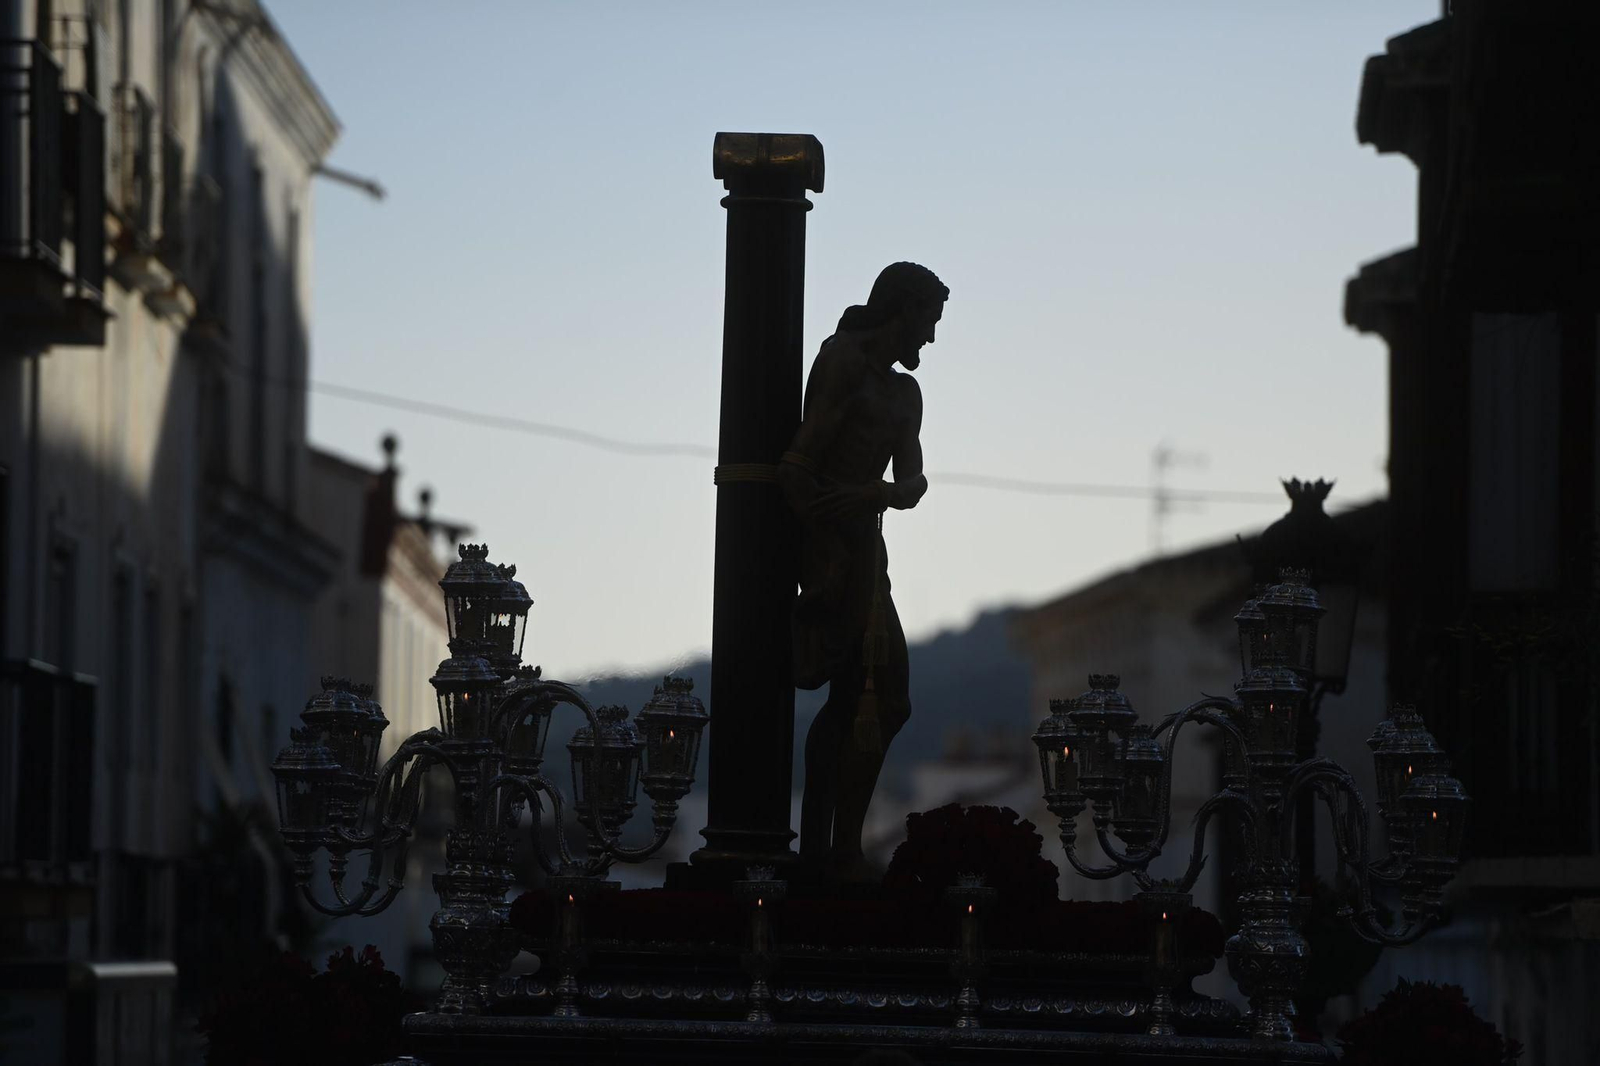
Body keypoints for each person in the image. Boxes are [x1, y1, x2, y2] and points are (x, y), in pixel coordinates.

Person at [777, 261, 948, 882]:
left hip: (866, 552)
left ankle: (836, 845)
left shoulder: (906, 394)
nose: (930, 337)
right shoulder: (844, 360)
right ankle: (827, 848)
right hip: (829, 549)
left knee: (881, 697)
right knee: (859, 695)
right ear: (900, 310)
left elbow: (912, 478)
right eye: (928, 320)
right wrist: (825, 525)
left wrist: (886, 495)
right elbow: (798, 463)